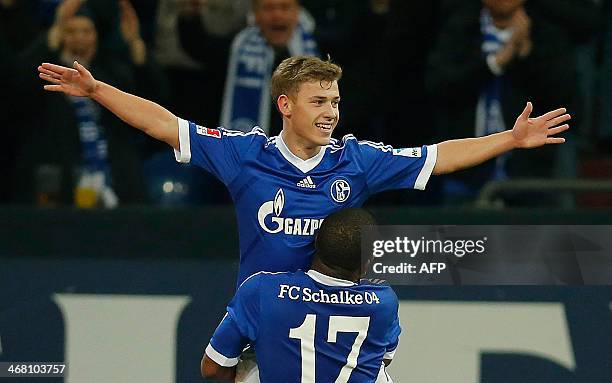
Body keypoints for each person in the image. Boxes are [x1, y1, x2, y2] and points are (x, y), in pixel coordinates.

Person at [37, 55, 570, 283]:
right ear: (286, 106)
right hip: (264, 324)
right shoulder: (245, 154)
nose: (331, 112)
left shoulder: (356, 160)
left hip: (338, 319)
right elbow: (163, 124)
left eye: (334, 101)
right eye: (318, 102)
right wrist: (97, 89)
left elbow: (439, 155)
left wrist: (510, 139)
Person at [201, 208, 399, 382]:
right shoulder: (383, 301)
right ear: (368, 261)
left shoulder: (262, 290)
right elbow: (383, 358)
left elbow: (211, 368)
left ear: (313, 241)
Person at [426, 0, 579, 203]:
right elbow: (438, 87)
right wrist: (494, 64)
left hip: (530, 173)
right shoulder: (460, 28)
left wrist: (526, 53)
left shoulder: (546, 32)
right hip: (464, 169)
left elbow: (567, 99)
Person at [178, 0, 318, 135]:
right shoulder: (236, 49)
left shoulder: (318, 51)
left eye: (285, 7)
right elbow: (198, 46)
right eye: (268, 8)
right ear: (255, 14)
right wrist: (191, 13)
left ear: (297, 12)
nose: (277, 15)